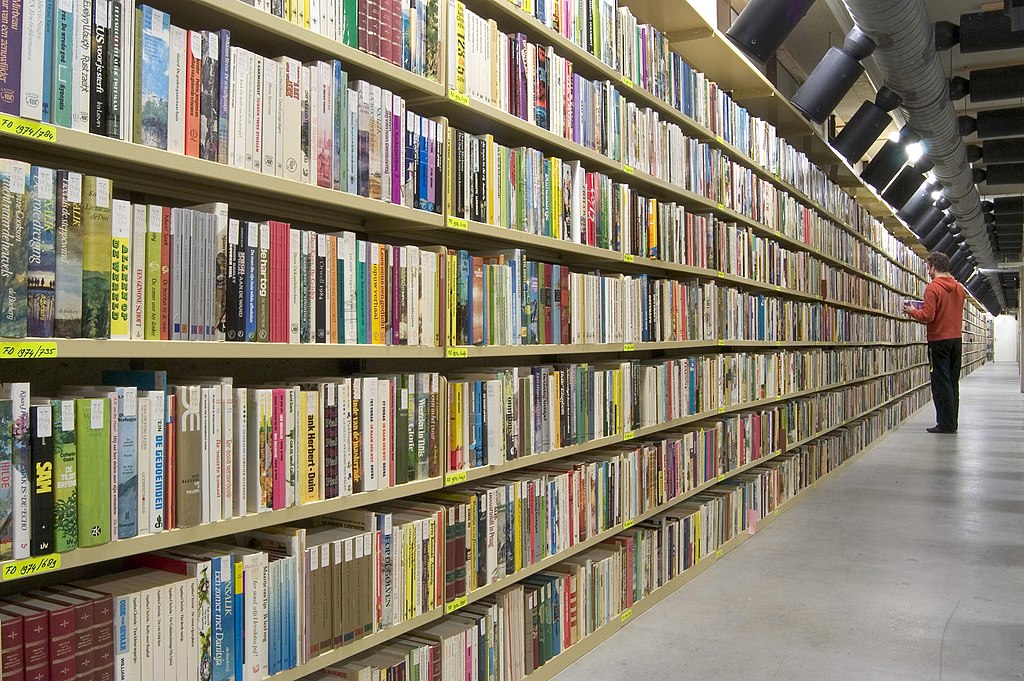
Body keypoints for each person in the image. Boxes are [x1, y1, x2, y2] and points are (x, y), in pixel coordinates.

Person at [903, 252, 965, 433]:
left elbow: (928, 316)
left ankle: (945, 424)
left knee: (940, 382)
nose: (928, 271)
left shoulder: (933, 288)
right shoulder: (959, 288)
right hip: (956, 340)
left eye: (928, 267)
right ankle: (952, 422)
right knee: (952, 382)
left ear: (933, 267)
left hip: (938, 340)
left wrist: (912, 311)